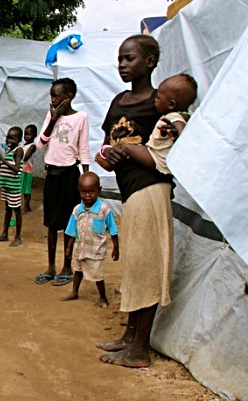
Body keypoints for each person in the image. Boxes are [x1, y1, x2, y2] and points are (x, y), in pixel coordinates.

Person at [94, 34, 174, 368]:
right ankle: (129, 336)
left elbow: (164, 156)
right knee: (134, 266)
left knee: (146, 269)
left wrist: (127, 151)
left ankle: (140, 349)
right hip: (131, 192)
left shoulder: (160, 104)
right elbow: (102, 147)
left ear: (150, 61)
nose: (122, 65)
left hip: (150, 190)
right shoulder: (119, 101)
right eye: (120, 60)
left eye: (129, 59)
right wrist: (106, 155)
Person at [34, 78, 90, 286]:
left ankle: (66, 266)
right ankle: (50, 266)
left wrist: (85, 176)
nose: (53, 99)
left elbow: (83, 149)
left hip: (69, 174)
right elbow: (40, 144)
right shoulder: (51, 115)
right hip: (52, 174)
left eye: (57, 95)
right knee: (51, 222)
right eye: (51, 96)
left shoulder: (81, 117)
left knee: (69, 223)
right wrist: (54, 118)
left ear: (69, 97)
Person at [97, 73, 197, 175]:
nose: (155, 100)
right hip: (155, 156)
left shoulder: (174, 117)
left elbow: (181, 129)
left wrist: (179, 137)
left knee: (127, 147)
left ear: (171, 104)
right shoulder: (178, 115)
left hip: (156, 160)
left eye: (158, 98)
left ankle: (108, 163)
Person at [60, 172, 119, 307]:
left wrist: (116, 247)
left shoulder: (104, 210)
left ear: (99, 190)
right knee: (78, 271)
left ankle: (103, 297)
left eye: (91, 191)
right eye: (84, 192)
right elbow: (72, 231)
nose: (87, 195)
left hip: (96, 250)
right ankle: (74, 292)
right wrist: (68, 248)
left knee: (98, 275)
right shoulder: (77, 210)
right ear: (79, 191)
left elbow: (113, 230)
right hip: (80, 248)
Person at [0, 126, 24, 247]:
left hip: (14, 187)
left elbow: (16, 169)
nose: (9, 140)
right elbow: (5, 166)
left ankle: (18, 237)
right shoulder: (9, 150)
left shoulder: (19, 150)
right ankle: (4, 234)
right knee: (8, 209)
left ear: (19, 139)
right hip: (7, 186)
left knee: (17, 210)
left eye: (13, 138)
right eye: (8, 137)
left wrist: (1, 159)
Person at [21, 124, 38, 212]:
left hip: (27, 171)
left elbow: (25, 157)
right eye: (25, 134)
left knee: (26, 190)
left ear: (35, 135)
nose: (26, 136)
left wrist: (17, 156)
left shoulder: (32, 146)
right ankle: (26, 206)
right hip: (22, 170)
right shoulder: (23, 145)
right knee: (23, 189)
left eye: (29, 134)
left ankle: (27, 207)